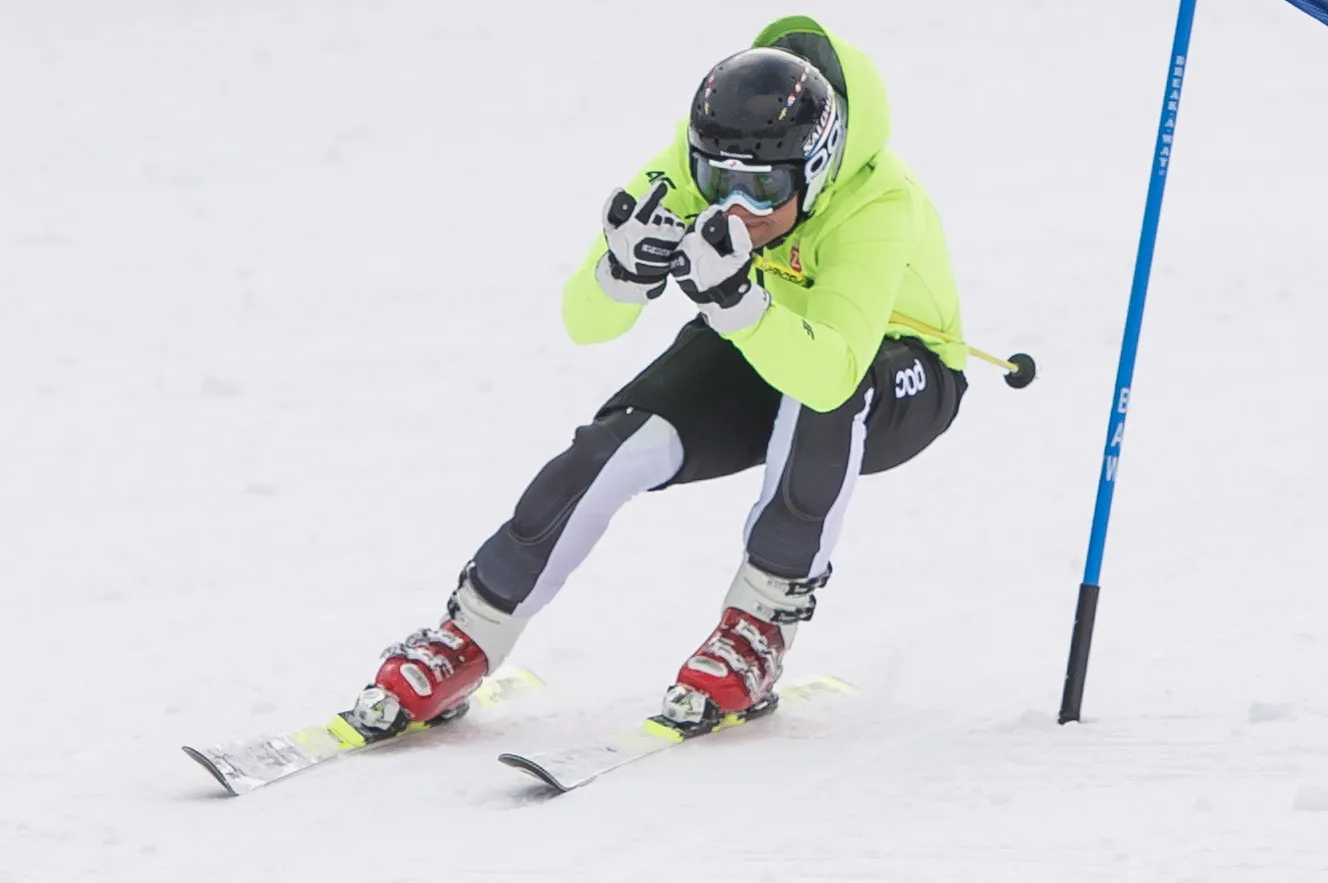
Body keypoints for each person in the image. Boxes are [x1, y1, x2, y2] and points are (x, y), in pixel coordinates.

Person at [350, 14, 969, 734]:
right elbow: (584, 321)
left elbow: (832, 372)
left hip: (899, 375)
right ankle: (474, 629)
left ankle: (761, 622)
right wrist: (619, 276)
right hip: (765, 329)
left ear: (821, 165)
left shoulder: (878, 199)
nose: (738, 207)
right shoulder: (690, 157)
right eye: (716, 181)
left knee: (827, 392)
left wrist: (736, 305)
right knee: (622, 441)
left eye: (765, 188)